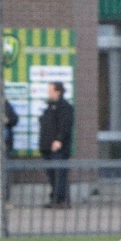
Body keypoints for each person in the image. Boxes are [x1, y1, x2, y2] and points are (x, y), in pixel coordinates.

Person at [39, 81, 74, 209]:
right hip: (47, 146)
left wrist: (59, 140)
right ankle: (55, 198)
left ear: (58, 91)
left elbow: (65, 125)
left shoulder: (64, 107)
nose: (48, 93)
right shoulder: (49, 107)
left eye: (50, 90)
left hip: (58, 148)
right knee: (52, 174)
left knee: (60, 173)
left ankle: (62, 199)